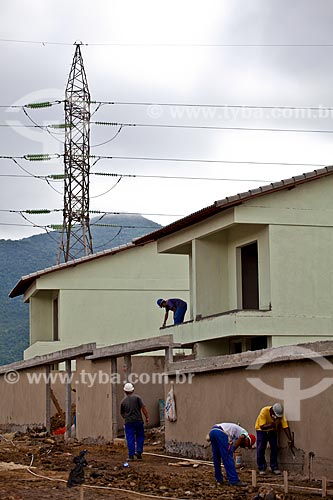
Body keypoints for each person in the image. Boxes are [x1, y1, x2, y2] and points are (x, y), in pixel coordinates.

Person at [207, 422, 256, 486]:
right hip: (221, 432)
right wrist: (231, 451)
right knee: (228, 457)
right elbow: (241, 439)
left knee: (217, 456)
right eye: (247, 445)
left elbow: (231, 444)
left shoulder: (236, 435)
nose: (245, 447)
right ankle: (234, 480)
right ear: (248, 440)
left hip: (213, 431)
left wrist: (231, 450)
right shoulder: (245, 434)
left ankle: (218, 478)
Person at [255, 402, 293, 475]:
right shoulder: (264, 411)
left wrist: (290, 439)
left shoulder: (281, 415)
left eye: (278, 417)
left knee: (274, 448)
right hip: (261, 430)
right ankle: (261, 467)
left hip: (272, 430)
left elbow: (285, 427)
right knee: (261, 448)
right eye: (276, 416)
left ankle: (274, 467)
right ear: (272, 411)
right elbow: (262, 426)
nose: (277, 418)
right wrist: (271, 425)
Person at [120, 382, 149, 461]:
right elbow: (143, 408)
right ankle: (139, 452)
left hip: (128, 422)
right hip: (138, 421)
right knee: (140, 436)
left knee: (130, 438)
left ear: (125, 391)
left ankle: (131, 456)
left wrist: (126, 418)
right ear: (132, 390)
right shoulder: (137, 398)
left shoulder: (123, 401)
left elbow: (122, 413)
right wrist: (147, 417)